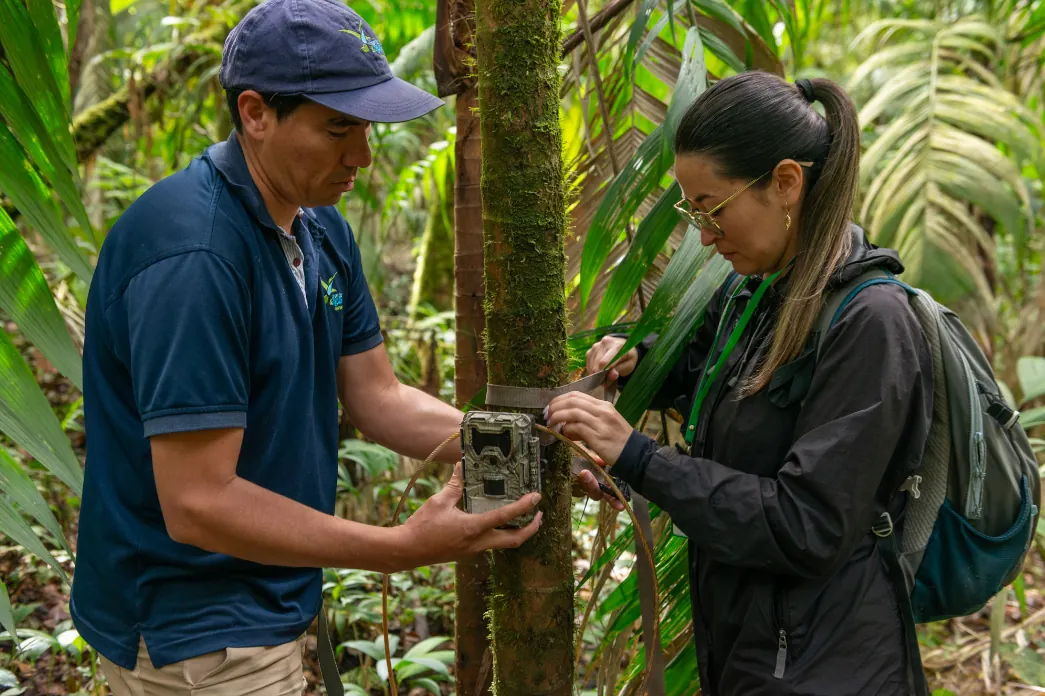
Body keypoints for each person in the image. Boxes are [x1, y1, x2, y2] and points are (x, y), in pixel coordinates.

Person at [70, 1, 542, 694]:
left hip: (268, 603)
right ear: (255, 113)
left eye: (366, 129)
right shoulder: (194, 254)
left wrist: (525, 446)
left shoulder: (317, 226)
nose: (362, 156)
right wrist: (399, 549)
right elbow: (197, 501)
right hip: (199, 633)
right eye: (337, 128)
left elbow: (377, 397)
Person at [552, 71, 934, 695]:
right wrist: (638, 359)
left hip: (830, 666)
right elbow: (707, 377)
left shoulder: (871, 322)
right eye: (691, 210)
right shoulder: (751, 293)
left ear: (786, 183)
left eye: (712, 209)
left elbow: (806, 524)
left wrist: (640, 458)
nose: (703, 236)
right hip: (751, 651)